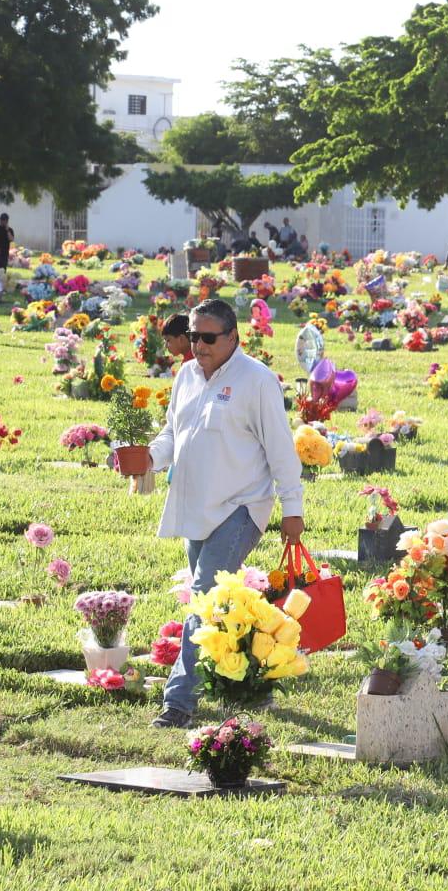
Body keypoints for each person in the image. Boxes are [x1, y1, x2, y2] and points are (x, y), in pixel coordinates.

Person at [144, 299, 304, 728]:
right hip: (195, 508)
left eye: (208, 337)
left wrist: (293, 508)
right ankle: (252, 683)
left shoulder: (257, 380)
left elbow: (281, 450)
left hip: (241, 507)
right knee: (218, 604)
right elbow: (172, 433)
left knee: (203, 600)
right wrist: (149, 459)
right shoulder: (186, 376)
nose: (198, 345)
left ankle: (179, 703)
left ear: (234, 337)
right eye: (193, 336)